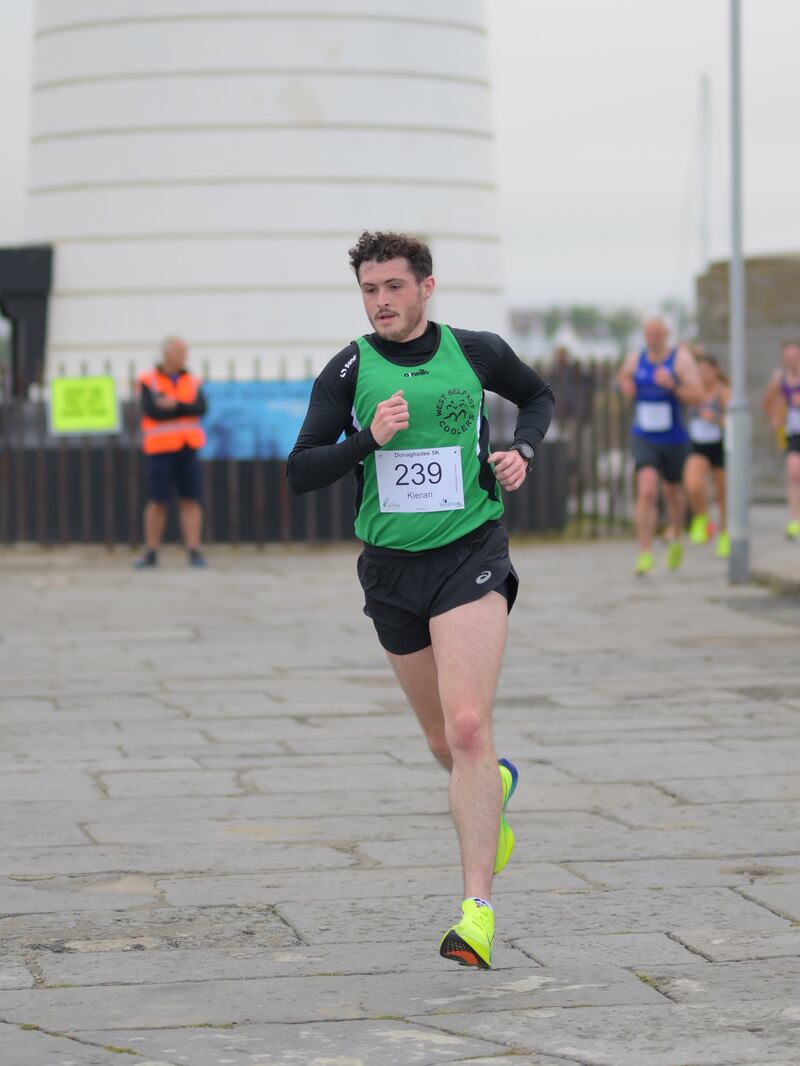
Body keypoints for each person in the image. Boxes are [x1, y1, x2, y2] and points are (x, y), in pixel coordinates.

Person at [288, 231, 555, 969]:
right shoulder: (349, 368)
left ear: (426, 287)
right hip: (391, 572)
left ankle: (477, 914)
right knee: (444, 744)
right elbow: (301, 470)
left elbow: (537, 396)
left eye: (393, 288)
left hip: (471, 551)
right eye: (370, 291)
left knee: (469, 726)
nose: (381, 303)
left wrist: (521, 451)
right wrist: (366, 439)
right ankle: (492, 789)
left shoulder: (475, 351)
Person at [617, 316, 703, 576]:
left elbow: (698, 395)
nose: (653, 339)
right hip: (644, 435)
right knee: (646, 488)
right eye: (649, 334)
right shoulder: (635, 359)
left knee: (674, 493)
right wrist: (626, 386)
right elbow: (622, 379)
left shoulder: (681, 359)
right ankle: (645, 552)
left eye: (658, 334)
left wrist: (673, 385)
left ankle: (676, 536)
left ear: (667, 335)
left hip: (674, 437)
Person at [133, 336, 208, 568]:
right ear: (167, 354)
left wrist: (174, 405)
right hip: (160, 449)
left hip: (188, 448)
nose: (184, 357)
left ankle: (194, 549)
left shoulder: (192, 380)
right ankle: (152, 550)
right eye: (180, 352)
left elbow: (201, 408)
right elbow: (152, 411)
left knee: (191, 499)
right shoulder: (149, 380)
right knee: (158, 501)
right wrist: (183, 408)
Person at [684, 352, 731, 558]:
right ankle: (703, 519)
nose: (702, 375)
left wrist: (715, 418)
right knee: (693, 484)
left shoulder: (724, 392)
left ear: (715, 371)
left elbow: (732, 422)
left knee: (722, 494)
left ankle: (724, 534)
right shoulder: (692, 392)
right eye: (698, 371)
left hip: (719, 445)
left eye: (706, 370)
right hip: (698, 445)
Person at [762, 340, 800, 541]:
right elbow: (766, 402)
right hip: (793, 431)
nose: (792, 360)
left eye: (795, 356)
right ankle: (794, 519)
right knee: (794, 471)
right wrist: (776, 417)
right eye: (788, 357)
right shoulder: (780, 378)